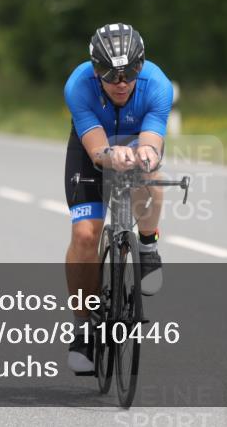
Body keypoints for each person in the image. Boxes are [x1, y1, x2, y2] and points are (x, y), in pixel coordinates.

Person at [63, 23, 173, 374]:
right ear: (96, 70)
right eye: (111, 75)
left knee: (151, 174)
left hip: (137, 141)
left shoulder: (157, 84)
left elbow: (152, 141)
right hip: (92, 149)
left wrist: (145, 155)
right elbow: (96, 150)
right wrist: (111, 155)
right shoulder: (78, 85)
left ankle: (148, 245)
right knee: (84, 235)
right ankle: (83, 329)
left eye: (130, 73)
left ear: (142, 65)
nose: (122, 83)